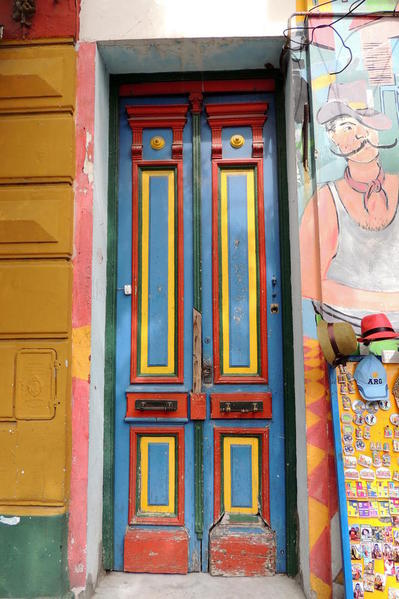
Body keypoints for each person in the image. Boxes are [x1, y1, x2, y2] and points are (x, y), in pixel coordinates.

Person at [300, 80, 399, 334]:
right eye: (347, 126)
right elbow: (308, 283)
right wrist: (385, 303)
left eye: (366, 124)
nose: (360, 134)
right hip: (349, 336)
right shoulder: (325, 200)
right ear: (333, 138)